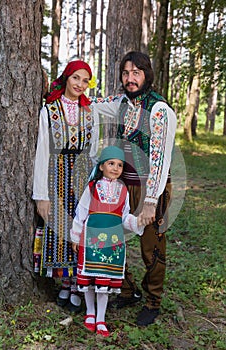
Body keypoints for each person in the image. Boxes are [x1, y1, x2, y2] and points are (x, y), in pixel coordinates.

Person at [90, 51, 177, 326]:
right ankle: (127, 290)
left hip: (151, 186)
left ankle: (153, 301)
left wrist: (151, 200)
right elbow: (90, 104)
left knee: (151, 245)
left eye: (136, 73)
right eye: (126, 73)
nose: (130, 78)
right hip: (123, 181)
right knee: (116, 235)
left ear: (146, 74)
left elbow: (160, 158)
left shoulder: (159, 109)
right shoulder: (120, 102)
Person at [32, 60, 99, 312]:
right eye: (76, 78)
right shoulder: (49, 111)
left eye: (85, 80)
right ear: (66, 78)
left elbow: (93, 153)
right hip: (55, 177)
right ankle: (64, 283)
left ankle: (75, 284)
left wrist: (93, 189)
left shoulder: (91, 112)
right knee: (59, 230)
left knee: (78, 229)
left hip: (81, 180)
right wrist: (41, 195)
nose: (80, 84)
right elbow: (42, 153)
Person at [70, 146, 144, 337]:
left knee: (104, 280)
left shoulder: (124, 190)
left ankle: (101, 318)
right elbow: (81, 213)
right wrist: (75, 235)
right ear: (102, 166)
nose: (115, 168)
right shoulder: (92, 187)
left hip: (113, 243)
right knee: (89, 277)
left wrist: (137, 222)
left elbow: (125, 216)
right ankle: (90, 313)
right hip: (90, 239)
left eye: (119, 165)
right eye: (111, 163)